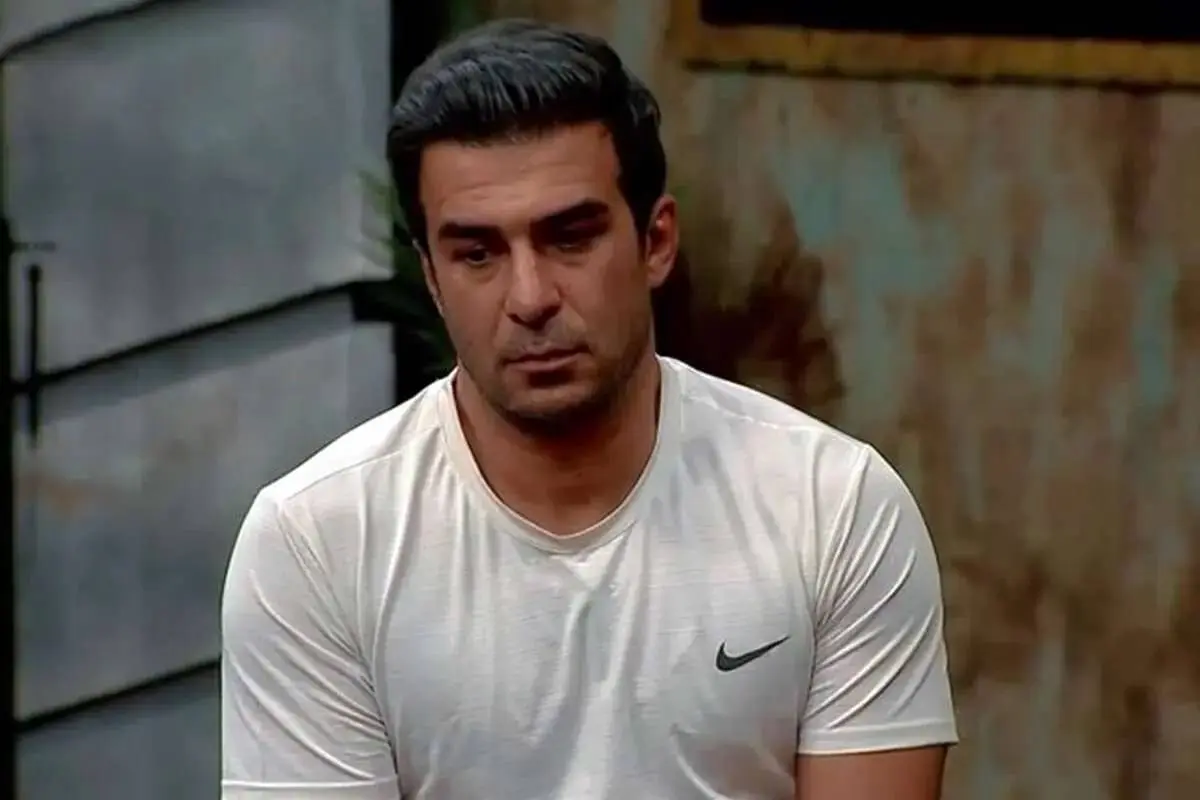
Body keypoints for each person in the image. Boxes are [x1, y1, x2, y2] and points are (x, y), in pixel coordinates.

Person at [220, 18, 958, 800]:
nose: (530, 297)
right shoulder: (317, 544)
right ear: (432, 277)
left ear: (655, 242)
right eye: (478, 254)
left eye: (569, 238)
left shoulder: (833, 508)